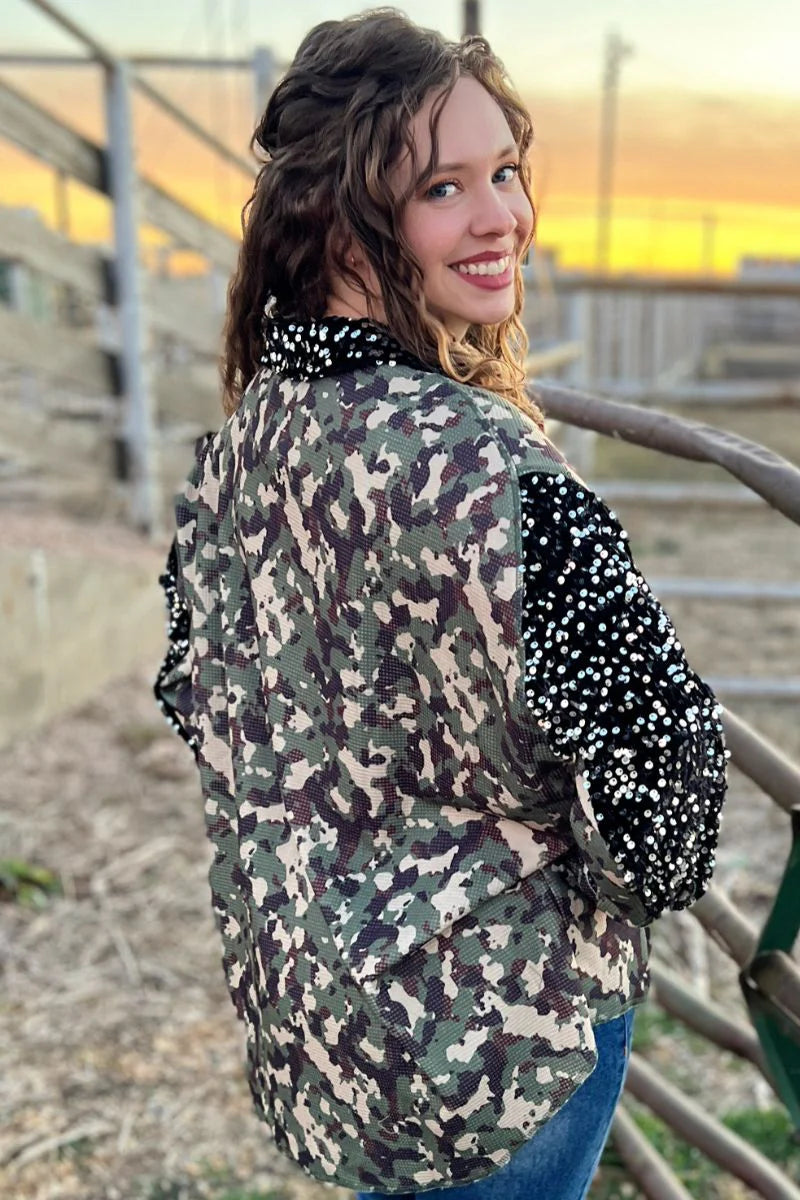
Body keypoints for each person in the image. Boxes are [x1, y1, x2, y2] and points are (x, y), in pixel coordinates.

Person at [154, 10, 728, 1199]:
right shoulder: (500, 476)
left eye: (503, 171)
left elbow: (207, 702)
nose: (499, 215)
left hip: (331, 1014)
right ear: (335, 220)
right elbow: (660, 806)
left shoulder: (249, 438)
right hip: (503, 1047)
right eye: (441, 189)